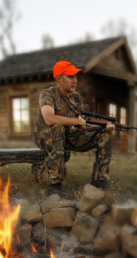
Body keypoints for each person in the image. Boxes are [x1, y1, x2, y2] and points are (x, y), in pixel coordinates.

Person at [33, 60, 115, 196]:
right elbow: (49, 119)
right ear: (59, 78)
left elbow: (80, 125)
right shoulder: (47, 95)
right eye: (70, 76)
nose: (75, 80)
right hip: (46, 136)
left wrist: (101, 129)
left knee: (105, 135)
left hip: (68, 135)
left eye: (75, 77)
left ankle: (100, 180)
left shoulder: (76, 98)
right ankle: (55, 185)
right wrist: (76, 120)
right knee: (57, 128)